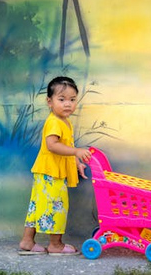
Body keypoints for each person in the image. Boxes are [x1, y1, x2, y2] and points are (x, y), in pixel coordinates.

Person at [18, 76, 92, 255]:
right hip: (51, 174)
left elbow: (65, 145)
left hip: (46, 172)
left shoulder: (63, 122)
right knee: (57, 207)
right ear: (49, 102)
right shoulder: (54, 122)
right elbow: (52, 145)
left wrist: (76, 162)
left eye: (72, 100)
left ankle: (27, 241)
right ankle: (55, 245)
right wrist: (76, 152)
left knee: (37, 206)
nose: (68, 104)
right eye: (62, 99)